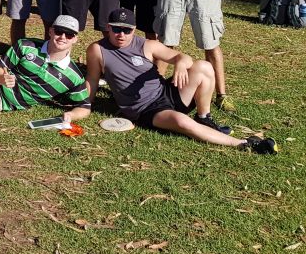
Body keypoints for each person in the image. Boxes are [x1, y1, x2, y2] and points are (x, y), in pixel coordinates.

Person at [84, 8, 275, 153]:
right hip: (145, 110)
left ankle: (204, 117)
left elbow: (182, 57)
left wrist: (181, 64)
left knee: (204, 67)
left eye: (127, 30)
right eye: (116, 29)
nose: (121, 35)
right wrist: (84, 105)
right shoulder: (97, 50)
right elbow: (92, 80)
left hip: (166, 92)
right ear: (107, 28)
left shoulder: (147, 44)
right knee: (181, 122)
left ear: (134, 30)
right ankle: (243, 144)